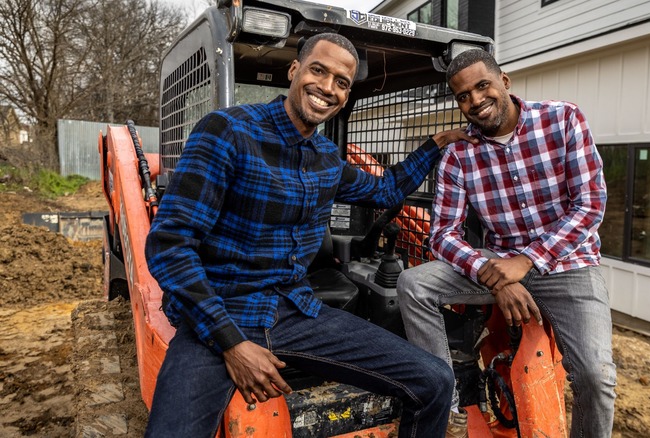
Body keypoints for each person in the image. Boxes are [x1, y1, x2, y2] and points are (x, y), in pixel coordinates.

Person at [143, 32, 475, 438]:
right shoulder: (228, 132)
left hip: (293, 311)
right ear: (294, 70)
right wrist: (231, 344)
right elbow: (170, 245)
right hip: (218, 313)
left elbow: (385, 190)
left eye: (341, 82)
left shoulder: (327, 161)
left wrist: (437, 143)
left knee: (435, 380)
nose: (327, 88)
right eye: (319, 70)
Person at [397, 49, 616, 438]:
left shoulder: (563, 119)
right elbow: (442, 235)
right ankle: (445, 406)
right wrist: (495, 275)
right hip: (497, 261)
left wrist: (528, 261)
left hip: (569, 264)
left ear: (505, 82)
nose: (475, 101)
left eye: (483, 86)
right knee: (413, 284)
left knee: (597, 379)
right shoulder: (458, 156)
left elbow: (590, 204)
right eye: (463, 96)